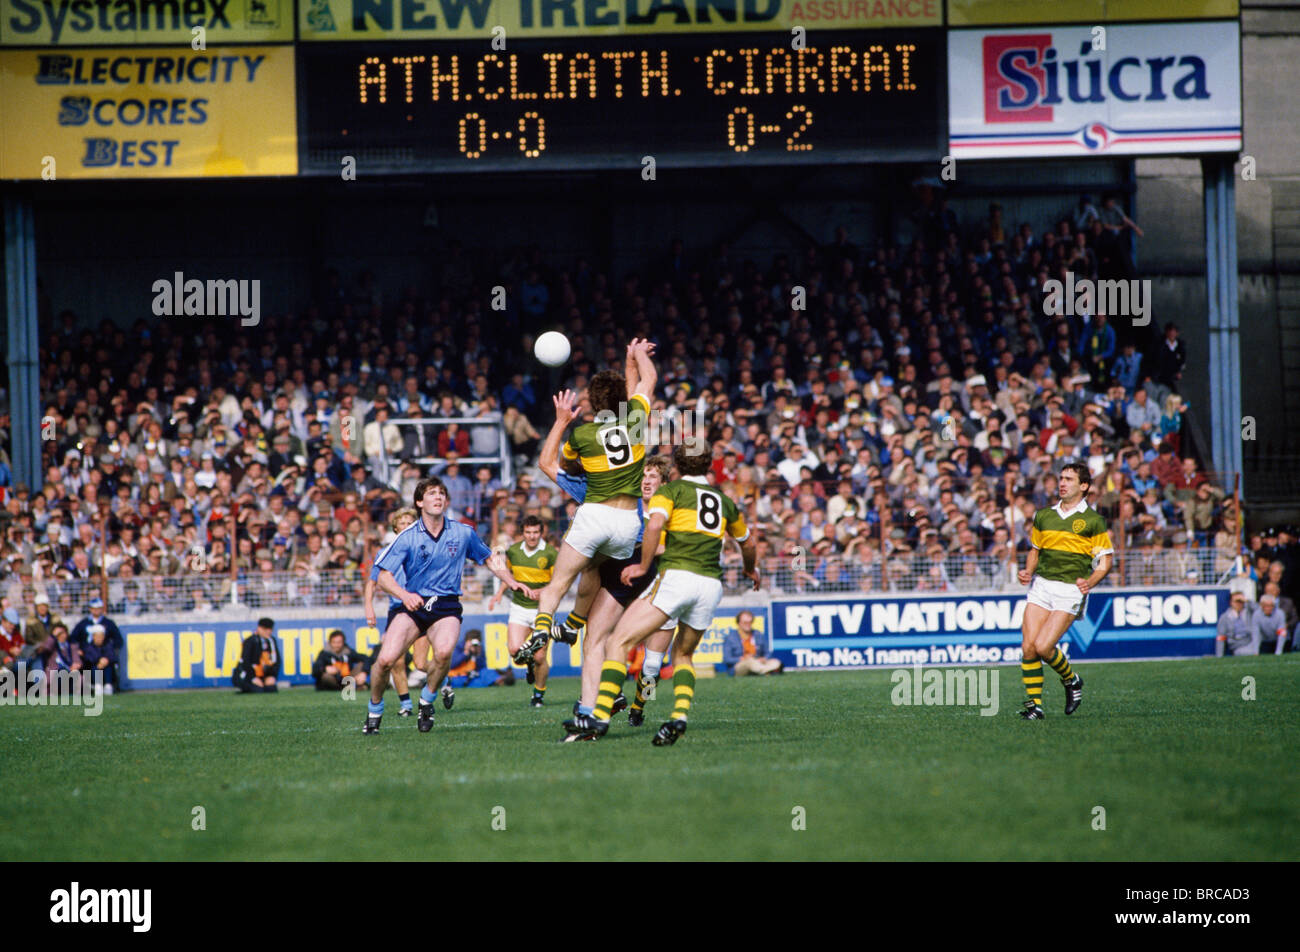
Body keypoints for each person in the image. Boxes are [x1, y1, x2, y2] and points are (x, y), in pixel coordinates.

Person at [571, 443, 759, 744]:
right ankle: (674, 714)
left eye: (653, 476)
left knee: (628, 648)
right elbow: (747, 543)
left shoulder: (669, 494)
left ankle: (605, 714)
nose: (647, 481)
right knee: (681, 655)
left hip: (673, 581)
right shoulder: (724, 501)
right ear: (709, 466)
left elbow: (656, 526)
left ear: (675, 469)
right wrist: (751, 570)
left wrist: (643, 564)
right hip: (710, 584)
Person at [514, 338, 658, 665]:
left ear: (592, 403)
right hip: (628, 525)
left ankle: (541, 628)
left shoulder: (582, 435)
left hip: (595, 514)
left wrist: (562, 421)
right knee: (593, 567)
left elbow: (558, 464)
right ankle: (573, 625)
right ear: (624, 400)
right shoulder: (635, 420)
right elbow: (648, 380)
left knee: (558, 583)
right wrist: (636, 356)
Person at [364, 477, 533, 734]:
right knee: (385, 660)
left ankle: (426, 701)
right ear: (419, 502)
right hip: (414, 604)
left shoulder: (463, 532)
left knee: (443, 654)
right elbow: (383, 576)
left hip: (446, 605)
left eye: (441, 493)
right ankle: (374, 709)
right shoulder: (407, 536)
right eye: (431, 493)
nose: (438, 497)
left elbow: (489, 557)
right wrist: (404, 594)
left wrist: (511, 581)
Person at [1016, 463, 1112, 719]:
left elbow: (1105, 561)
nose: (1062, 483)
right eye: (1061, 478)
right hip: (1042, 585)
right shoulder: (1044, 516)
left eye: (1069, 479)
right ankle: (1035, 707)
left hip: (1070, 589)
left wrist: (1090, 582)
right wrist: (1028, 571)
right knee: (1028, 647)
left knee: (1044, 647)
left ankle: (1071, 680)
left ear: (1084, 486)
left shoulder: (1093, 521)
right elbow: (1035, 551)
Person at [487, 514, 558, 707]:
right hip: (519, 607)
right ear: (523, 533)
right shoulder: (514, 551)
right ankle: (529, 664)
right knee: (514, 651)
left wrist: (542, 591)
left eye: (535, 532)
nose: (532, 536)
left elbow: (558, 583)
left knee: (540, 656)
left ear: (541, 533)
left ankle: (538, 695)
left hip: (542, 610)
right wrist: (499, 593)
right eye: (528, 532)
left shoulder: (551, 553)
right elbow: (508, 575)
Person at [363, 507, 420, 716]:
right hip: (397, 608)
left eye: (410, 523)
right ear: (395, 528)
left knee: (421, 662)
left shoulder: (424, 548)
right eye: (402, 523)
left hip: (421, 606)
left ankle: (444, 679)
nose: (406, 527)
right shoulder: (385, 553)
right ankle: (406, 705)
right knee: (396, 660)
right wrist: (369, 607)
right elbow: (372, 582)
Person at [722, 610, 782, 676]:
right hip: (741, 665)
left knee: (776, 662)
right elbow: (726, 659)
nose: (748, 625)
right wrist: (742, 658)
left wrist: (764, 659)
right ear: (739, 623)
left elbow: (768, 653)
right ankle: (767, 671)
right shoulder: (730, 637)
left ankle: (762, 671)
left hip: (758, 662)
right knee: (750, 662)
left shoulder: (758, 634)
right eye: (745, 623)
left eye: (750, 622)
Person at [232, 617, 282, 693]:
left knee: (271, 688)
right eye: (265, 629)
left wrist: (272, 675)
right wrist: (253, 678)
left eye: (270, 630)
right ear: (259, 628)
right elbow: (245, 662)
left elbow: (276, 660)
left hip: (262, 674)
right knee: (258, 690)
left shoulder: (271, 641)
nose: (268, 632)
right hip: (247, 674)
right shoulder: (250, 641)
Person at [82, 623, 120, 693]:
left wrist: (106, 660)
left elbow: (113, 656)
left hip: (106, 668)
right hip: (94, 670)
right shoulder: (88, 647)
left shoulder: (108, 645)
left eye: (101, 636)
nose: (99, 638)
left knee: (108, 666)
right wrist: (100, 660)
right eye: (97, 636)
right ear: (93, 636)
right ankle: (98, 685)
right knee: (95, 667)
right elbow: (88, 658)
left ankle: (108, 685)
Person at [1216, 591, 1257, 656]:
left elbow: (1261, 612)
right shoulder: (1225, 617)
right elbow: (1221, 637)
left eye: (1240, 601)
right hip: (1237, 646)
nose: (1238, 604)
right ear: (1231, 602)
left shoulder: (1249, 612)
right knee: (1248, 652)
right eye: (1236, 601)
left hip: (1251, 642)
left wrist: (1247, 600)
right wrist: (1219, 656)